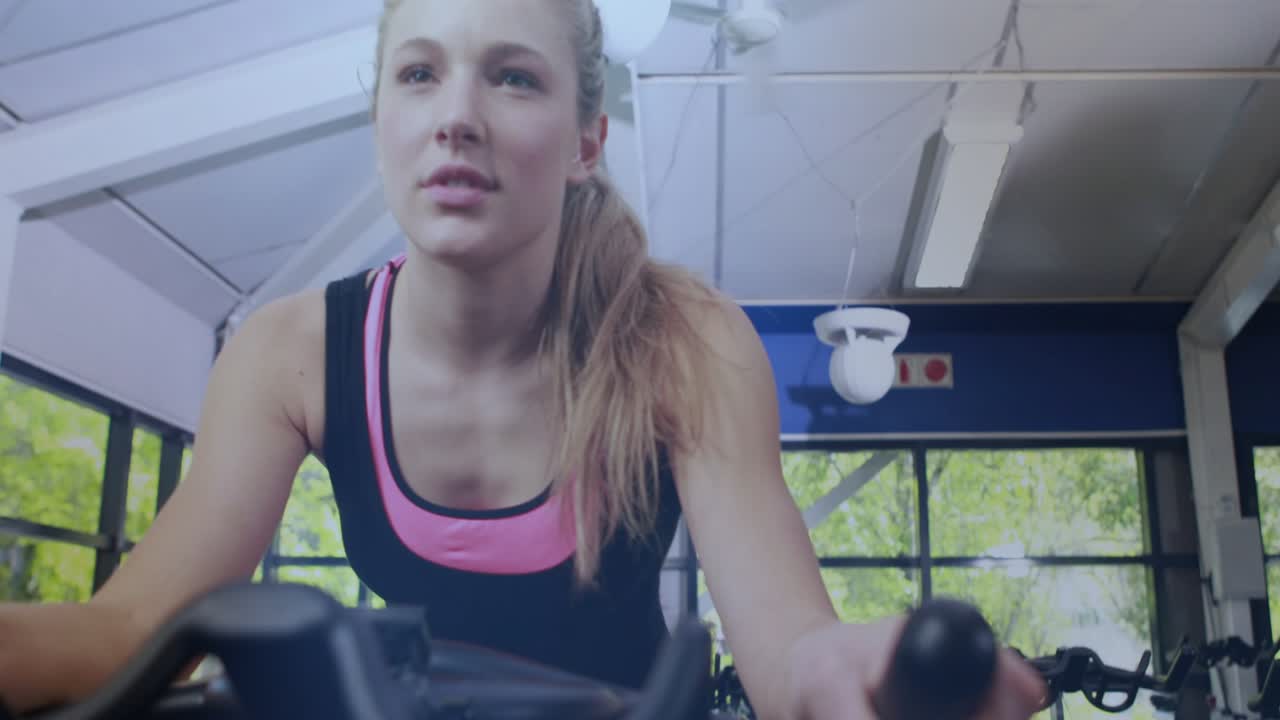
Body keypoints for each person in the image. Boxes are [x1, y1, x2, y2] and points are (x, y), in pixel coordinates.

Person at [0, 1, 1048, 718]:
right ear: (381, 119)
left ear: (587, 141)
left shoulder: (685, 339)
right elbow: (135, 629)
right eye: (419, 74)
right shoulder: (287, 356)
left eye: (511, 77)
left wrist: (842, 671)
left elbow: (788, 653)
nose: (456, 117)